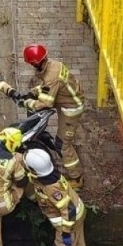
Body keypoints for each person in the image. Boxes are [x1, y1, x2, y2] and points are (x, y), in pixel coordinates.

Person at [20, 43, 85, 185]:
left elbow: (45, 103)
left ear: (35, 63)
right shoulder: (55, 65)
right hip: (67, 99)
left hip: (71, 109)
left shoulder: (51, 76)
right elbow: (51, 87)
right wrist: (35, 91)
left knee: (62, 144)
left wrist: (27, 102)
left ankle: (76, 178)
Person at [24, 148, 88, 246]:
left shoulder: (51, 188)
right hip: (79, 211)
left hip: (69, 219)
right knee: (78, 242)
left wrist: (65, 232)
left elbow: (68, 210)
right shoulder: (51, 176)